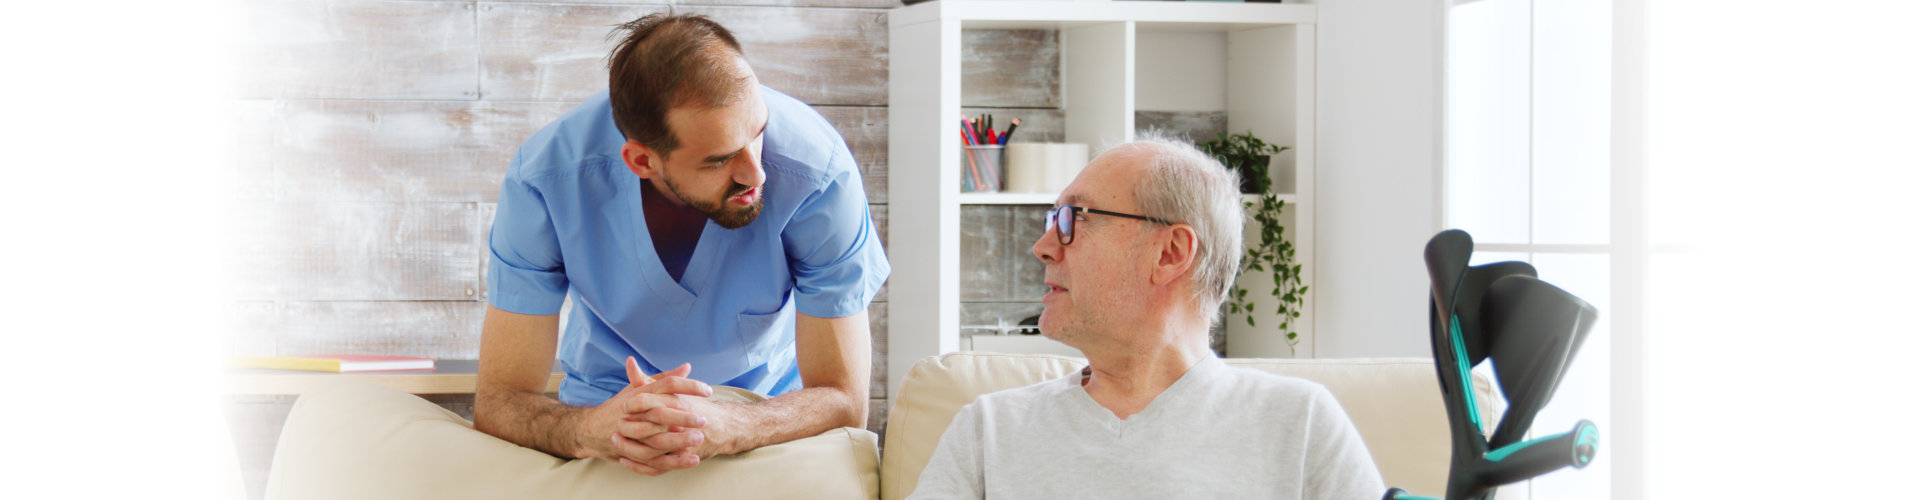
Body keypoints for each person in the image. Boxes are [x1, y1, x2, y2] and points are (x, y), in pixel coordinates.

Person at [475, 12, 889, 477]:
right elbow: (498, 402)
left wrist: (737, 424)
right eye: (719, 159)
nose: (757, 173)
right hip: (608, 413)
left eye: (758, 133)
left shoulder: (818, 172)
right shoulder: (545, 180)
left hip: (771, 416)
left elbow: (845, 401)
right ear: (641, 160)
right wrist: (591, 429)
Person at [907, 138, 1383, 499]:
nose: (1044, 246)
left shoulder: (1298, 423)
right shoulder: (989, 429)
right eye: (1052, 220)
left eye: (1074, 218)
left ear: (1170, 252)